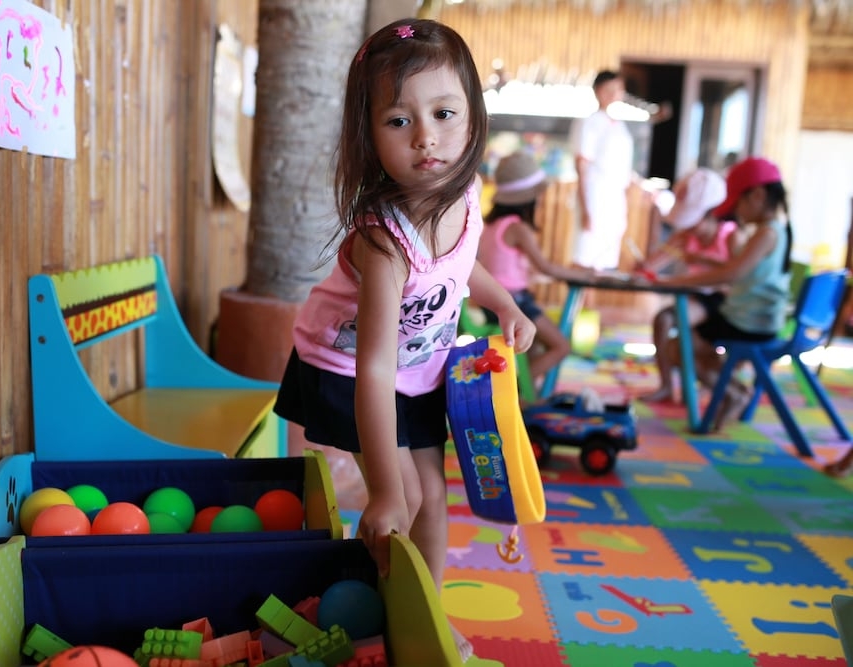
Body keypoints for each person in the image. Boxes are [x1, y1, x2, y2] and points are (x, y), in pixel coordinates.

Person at [272, 19, 536, 661]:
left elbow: (460, 264)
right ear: (369, 134)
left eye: (444, 113)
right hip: (348, 369)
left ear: (473, 116)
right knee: (406, 499)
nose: (426, 137)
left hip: (420, 367)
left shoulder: (465, 193)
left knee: (434, 498)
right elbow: (372, 369)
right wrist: (384, 493)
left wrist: (504, 302)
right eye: (398, 121)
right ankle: (388, 611)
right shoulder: (383, 242)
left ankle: (427, 615)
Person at [652, 157, 793, 430]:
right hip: (754, 320)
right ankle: (733, 391)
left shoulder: (767, 233)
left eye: (738, 203)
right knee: (694, 345)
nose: (736, 211)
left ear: (758, 195)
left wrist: (679, 280)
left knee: (677, 348)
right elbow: (736, 268)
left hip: (748, 322)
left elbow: (732, 273)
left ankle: (733, 393)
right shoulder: (775, 230)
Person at [477, 150, 596, 387]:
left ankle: (525, 396)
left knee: (533, 347)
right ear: (530, 199)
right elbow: (545, 267)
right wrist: (585, 274)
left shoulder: (491, 225)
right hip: (514, 302)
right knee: (561, 346)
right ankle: (514, 390)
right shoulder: (518, 228)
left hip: (491, 301)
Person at [637, 168, 745, 403]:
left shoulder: (730, 235)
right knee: (666, 324)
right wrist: (644, 265)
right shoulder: (687, 236)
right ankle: (667, 385)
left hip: (720, 302)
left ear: (711, 213)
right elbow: (656, 260)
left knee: (678, 339)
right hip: (694, 297)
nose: (689, 228)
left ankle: (712, 389)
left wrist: (702, 260)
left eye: (693, 221)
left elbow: (737, 271)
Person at [571, 70, 672, 271]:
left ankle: (593, 293)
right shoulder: (589, 122)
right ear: (597, 91)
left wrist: (643, 187)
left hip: (614, 199)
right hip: (595, 197)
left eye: (617, 89)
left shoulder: (619, 125)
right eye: (608, 89)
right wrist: (586, 208)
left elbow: (621, 169)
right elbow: (581, 166)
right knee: (585, 257)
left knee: (603, 259)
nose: (613, 94)